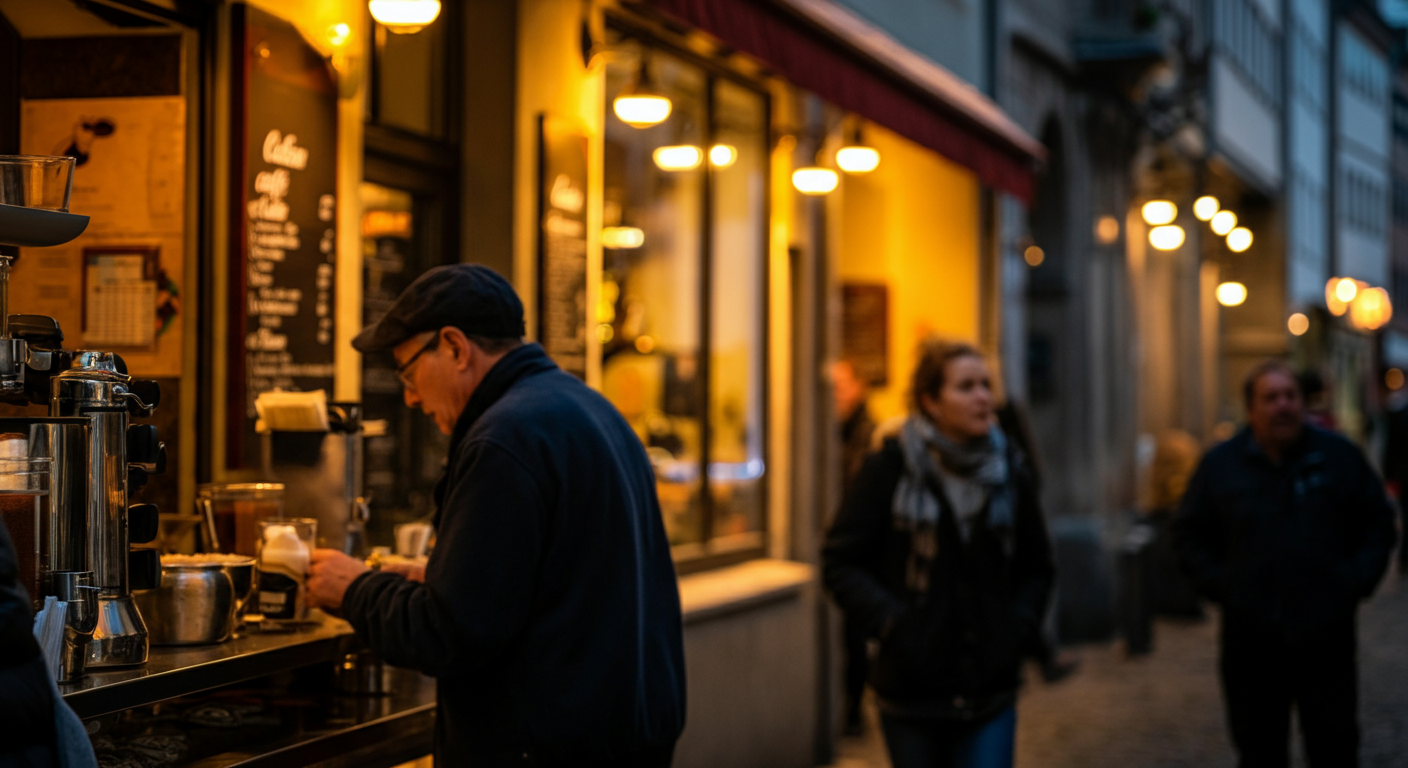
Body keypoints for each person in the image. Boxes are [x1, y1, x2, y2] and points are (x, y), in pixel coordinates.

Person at [305, 264, 686, 767]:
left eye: (408, 371)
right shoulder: (590, 409)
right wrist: (440, 576)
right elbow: (561, 581)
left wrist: (354, 589)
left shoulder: (503, 440)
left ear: (456, 347)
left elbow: (451, 634)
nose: (411, 396)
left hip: (546, 749)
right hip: (627, 737)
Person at [823, 340, 1054, 768]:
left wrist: (1015, 627)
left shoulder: (1010, 470)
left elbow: (1037, 567)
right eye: (966, 387)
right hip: (912, 691)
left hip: (990, 686)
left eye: (986, 385)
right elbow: (841, 560)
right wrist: (892, 624)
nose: (983, 397)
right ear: (931, 401)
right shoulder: (890, 465)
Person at [1174, 360, 1396, 767]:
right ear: (1251, 408)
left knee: (1334, 745)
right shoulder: (1221, 466)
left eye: (1290, 396)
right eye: (1271, 398)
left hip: (1325, 640)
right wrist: (1224, 588)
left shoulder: (1337, 458)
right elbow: (1188, 534)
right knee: (1259, 749)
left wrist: (1353, 582)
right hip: (1251, 641)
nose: (1283, 406)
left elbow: (1378, 523)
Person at [829, 359, 876, 735]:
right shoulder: (829, 429)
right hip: (841, 543)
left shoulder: (870, 435)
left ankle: (854, 708)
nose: (835, 394)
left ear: (859, 386)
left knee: (855, 632)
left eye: (842, 385)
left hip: (862, 547)